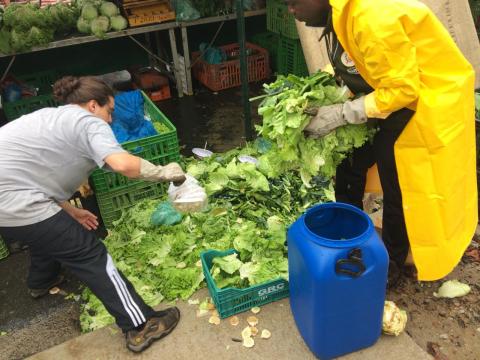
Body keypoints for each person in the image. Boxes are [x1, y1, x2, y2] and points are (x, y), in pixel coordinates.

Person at [286, 0, 478, 281]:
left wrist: (342, 112)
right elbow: (354, 59)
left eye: (294, 2)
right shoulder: (340, 13)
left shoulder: (369, 17)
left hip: (424, 102)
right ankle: (347, 234)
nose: (291, 10)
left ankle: (391, 264)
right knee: (351, 162)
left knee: (398, 181)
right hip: (390, 96)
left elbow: (403, 89)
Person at [0, 76, 185, 353]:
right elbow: (121, 163)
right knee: (91, 256)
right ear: (92, 105)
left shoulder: (51, 118)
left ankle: (42, 281)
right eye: (109, 111)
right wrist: (163, 173)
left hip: (11, 205)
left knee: (50, 234)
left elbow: (30, 176)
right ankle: (140, 325)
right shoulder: (87, 121)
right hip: (19, 202)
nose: (110, 119)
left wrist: (71, 210)